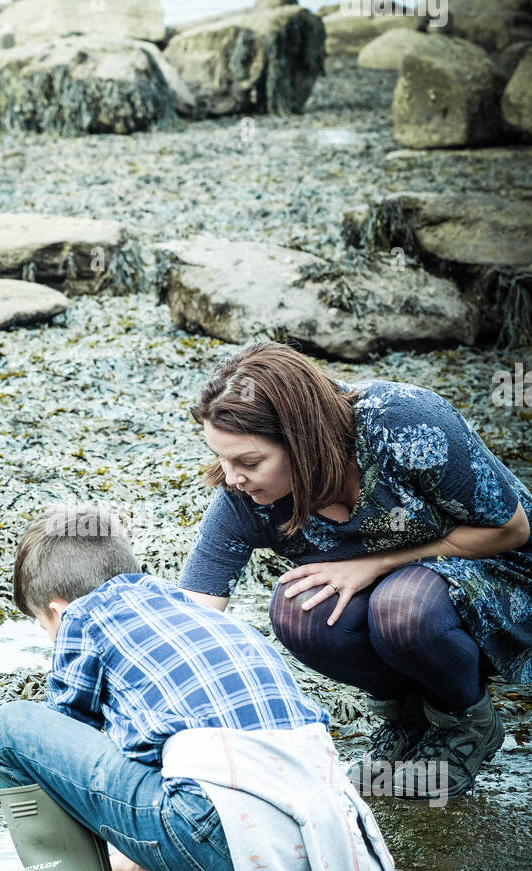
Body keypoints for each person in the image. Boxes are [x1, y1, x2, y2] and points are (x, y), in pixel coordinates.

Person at [0, 504, 395, 871]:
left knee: (9, 729)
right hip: (326, 854)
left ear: (57, 611)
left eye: (44, 629)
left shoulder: (83, 620)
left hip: (216, 847)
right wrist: (128, 860)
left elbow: (69, 756)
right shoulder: (203, 619)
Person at [180, 342, 532, 802]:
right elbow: (193, 618)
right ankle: (407, 718)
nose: (232, 478)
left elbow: (511, 529)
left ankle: (465, 720)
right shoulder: (243, 500)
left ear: (302, 441)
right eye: (222, 459)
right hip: (405, 607)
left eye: (249, 462)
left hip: (500, 576)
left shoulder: (403, 422)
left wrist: (372, 565)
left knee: (401, 606)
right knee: (298, 609)